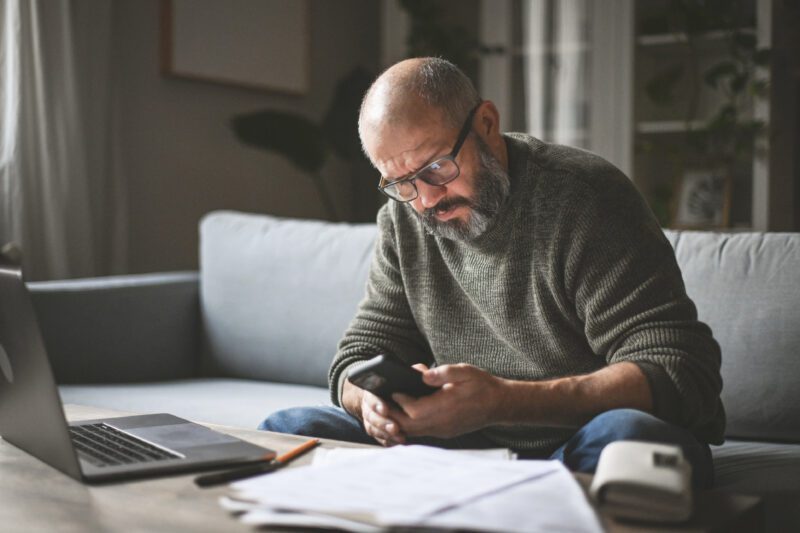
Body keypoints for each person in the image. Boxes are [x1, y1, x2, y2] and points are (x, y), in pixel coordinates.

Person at [260, 57, 725, 488]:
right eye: (402, 182)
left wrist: (502, 401)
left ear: (486, 123)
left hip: (577, 442)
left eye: (436, 167)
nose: (426, 200)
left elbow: (679, 371)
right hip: (461, 449)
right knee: (288, 431)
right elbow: (359, 355)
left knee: (628, 437)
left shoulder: (586, 199)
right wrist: (370, 403)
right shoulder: (405, 218)